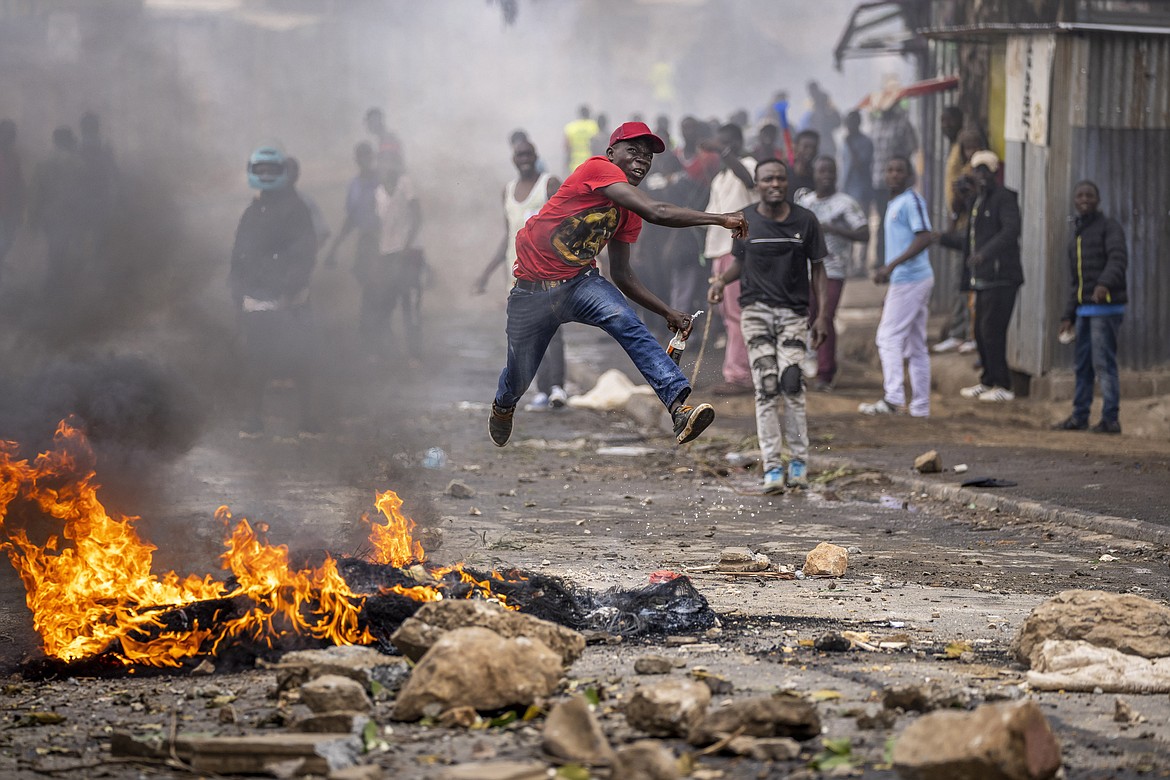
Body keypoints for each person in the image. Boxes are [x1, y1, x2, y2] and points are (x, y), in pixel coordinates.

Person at [489, 121, 748, 448]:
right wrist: (721, 218)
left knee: (628, 322)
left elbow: (623, 275)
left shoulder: (628, 211)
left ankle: (678, 408)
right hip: (531, 291)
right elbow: (658, 210)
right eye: (633, 152)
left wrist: (667, 311)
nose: (642, 160)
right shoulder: (597, 168)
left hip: (579, 283)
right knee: (519, 375)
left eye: (647, 157)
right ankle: (503, 404)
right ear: (612, 154)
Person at [707, 158, 828, 494]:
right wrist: (720, 282)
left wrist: (822, 317)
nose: (774, 184)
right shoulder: (745, 221)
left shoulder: (806, 221)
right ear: (757, 184)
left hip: (793, 313)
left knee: (792, 383)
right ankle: (773, 467)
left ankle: (799, 463)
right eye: (767, 179)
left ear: (787, 183)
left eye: (780, 179)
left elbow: (818, 269)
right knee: (767, 385)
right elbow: (740, 263)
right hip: (756, 312)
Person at [228, 146, 319, 437]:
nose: (266, 176)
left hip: (290, 299)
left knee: (300, 358)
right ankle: (254, 420)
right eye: (261, 170)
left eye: (271, 170)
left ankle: (308, 421)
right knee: (256, 361)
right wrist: (237, 289)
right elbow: (239, 255)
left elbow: (305, 252)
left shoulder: (296, 209)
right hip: (257, 298)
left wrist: (289, 288)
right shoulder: (252, 211)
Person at [474, 140, 566, 409]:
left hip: (548, 268)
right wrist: (486, 274)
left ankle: (558, 387)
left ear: (536, 156)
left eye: (528, 154)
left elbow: (567, 224)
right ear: (513, 159)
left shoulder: (549, 184)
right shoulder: (508, 191)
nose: (524, 159)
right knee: (528, 333)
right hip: (517, 273)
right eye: (519, 155)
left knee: (553, 329)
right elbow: (508, 234)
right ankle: (542, 388)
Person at [939, 150, 1022, 403]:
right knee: (980, 330)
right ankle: (987, 380)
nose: (982, 175)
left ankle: (1003, 385)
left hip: (1002, 276)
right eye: (978, 170)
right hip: (982, 278)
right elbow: (969, 237)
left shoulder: (1004, 198)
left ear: (995, 172)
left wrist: (985, 254)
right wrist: (941, 238)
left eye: (987, 170)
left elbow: (1010, 231)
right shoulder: (977, 201)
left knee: (992, 330)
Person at [859, 156, 933, 418]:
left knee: (888, 337)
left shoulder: (912, 201)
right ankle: (921, 406)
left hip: (910, 277)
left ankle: (893, 398)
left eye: (899, 170)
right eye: (889, 170)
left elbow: (925, 236)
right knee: (915, 344)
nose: (893, 174)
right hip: (906, 279)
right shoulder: (895, 203)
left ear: (909, 175)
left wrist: (891, 267)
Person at [1053, 181, 1128, 434]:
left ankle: (1110, 419)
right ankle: (1079, 416)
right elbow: (1076, 281)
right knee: (1082, 365)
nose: (1084, 199)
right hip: (1084, 311)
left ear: (1098, 200)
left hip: (1106, 310)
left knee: (1104, 364)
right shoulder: (1078, 235)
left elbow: (1118, 258)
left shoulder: (1110, 228)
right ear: (1075, 201)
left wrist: (1104, 283)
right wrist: (1068, 315)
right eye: (1080, 195)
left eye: (1089, 195)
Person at [798, 156, 869, 391]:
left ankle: (826, 373)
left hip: (833, 269)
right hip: (805, 269)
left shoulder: (845, 204)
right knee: (806, 315)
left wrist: (833, 229)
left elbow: (864, 233)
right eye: (822, 171)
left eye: (831, 171)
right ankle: (807, 361)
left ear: (837, 175)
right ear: (814, 174)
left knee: (825, 317)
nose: (826, 176)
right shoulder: (805, 203)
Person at [703, 124, 757, 396]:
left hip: (736, 250)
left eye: (724, 145)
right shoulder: (720, 177)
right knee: (727, 314)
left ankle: (740, 375)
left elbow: (749, 180)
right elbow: (711, 215)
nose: (718, 150)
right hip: (718, 250)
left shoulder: (746, 165)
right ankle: (738, 370)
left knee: (736, 313)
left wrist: (723, 151)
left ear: (735, 143)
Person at [363, 152, 423, 364]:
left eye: (389, 160)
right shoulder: (378, 192)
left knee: (410, 304)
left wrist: (407, 246)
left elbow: (417, 216)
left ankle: (414, 354)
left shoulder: (405, 183)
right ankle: (387, 351)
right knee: (386, 303)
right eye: (381, 161)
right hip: (387, 255)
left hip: (409, 253)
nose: (385, 165)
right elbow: (379, 227)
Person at [28, 126, 84, 295]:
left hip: (49, 214)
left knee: (54, 248)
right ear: (69, 141)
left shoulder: (44, 162)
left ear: (54, 141)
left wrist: (33, 218)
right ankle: (55, 286)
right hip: (68, 213)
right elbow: (81, 192)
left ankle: (53, 285)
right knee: (61, 249)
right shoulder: (77, 163)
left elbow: (36, 193)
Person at [869, 102, 918, 265]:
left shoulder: (903, 124)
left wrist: (899, 166)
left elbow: (913, 146)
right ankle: (882, 259)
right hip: (879, 181)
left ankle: (898, 260)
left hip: (899, 182)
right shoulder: (876, 124)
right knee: (884, 221)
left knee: (900, 221)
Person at [323, 141, 380, 273]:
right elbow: (351, 219)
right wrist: (333, 249)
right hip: (366, 241)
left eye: (367, 156)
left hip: (386, 237)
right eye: (361, 156)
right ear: (356, 160)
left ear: (372, 157)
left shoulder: (383, 180)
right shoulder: (354, 186)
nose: (365, 160)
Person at [284, 157, 331, 251]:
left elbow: (323, 232)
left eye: (291, 172)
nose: (288, 176)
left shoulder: (306, 201)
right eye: (285, 172)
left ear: (297, 175)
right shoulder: (265, 202)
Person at [0, 120, 24, 281]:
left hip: (10, 208)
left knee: (8, 238)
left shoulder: (14, 156)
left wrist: (20, 207)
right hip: (7, 208)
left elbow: (18, 183)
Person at [801, 81, 841, 157]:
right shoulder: (811, 109)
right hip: (816, 141)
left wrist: (828, 120)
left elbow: (837, 122)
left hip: (826, 141)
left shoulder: (827, 108)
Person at [365, 107, 405, 175]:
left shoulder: (388, 139)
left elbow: (391, 163)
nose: (368, 125)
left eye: (370, 122)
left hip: (393, 180)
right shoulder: (380, 140)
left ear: (377, 121)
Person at [563, 105, 600, 174]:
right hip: (591, 164)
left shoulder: (570, 128)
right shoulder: (594, 126)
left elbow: (567, 148)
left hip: (575, 165)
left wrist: (565, 164)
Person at [787, 130, 818, 200]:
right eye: (806, 147)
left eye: (813, 147)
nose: (810, 151)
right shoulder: (784, 174)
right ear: (796, 147)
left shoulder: (817, 177)